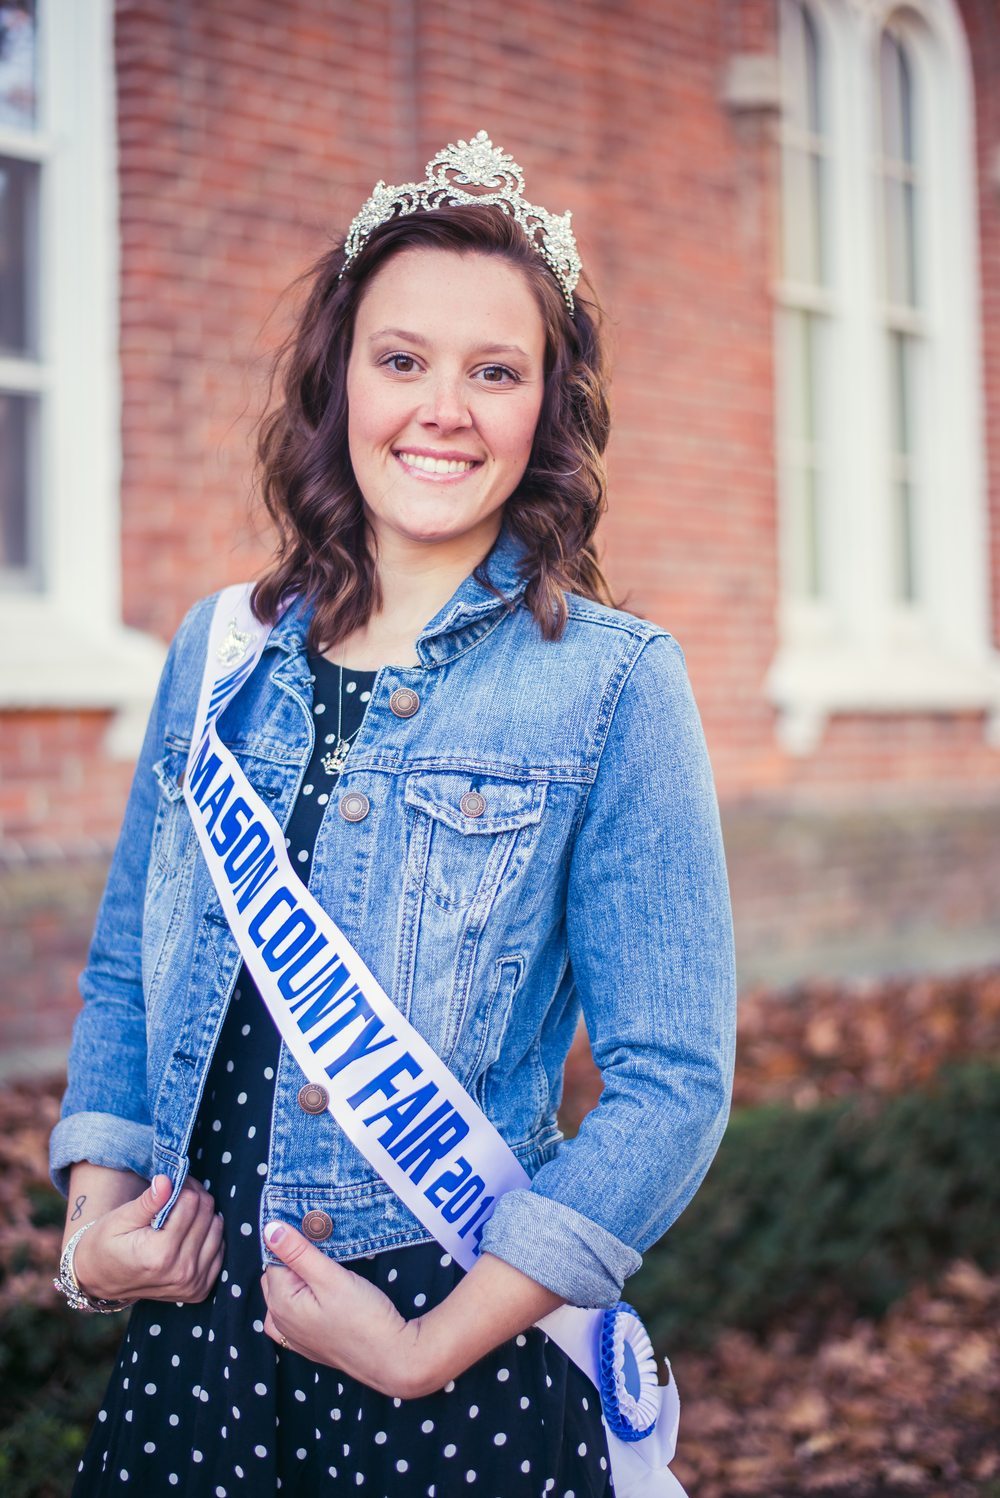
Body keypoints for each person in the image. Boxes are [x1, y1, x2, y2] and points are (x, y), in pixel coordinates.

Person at [51, 133, 737, 1497]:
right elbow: (132, 965)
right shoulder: (219, 649)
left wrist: (428, 1346)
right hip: (195, 1346)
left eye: (497, 370)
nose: (443, 408)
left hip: (446, 1346)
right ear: (339, 378)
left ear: (547, 407)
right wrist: (92, 1236)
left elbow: (673, 1083)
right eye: (402, 358)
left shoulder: (613, 685)